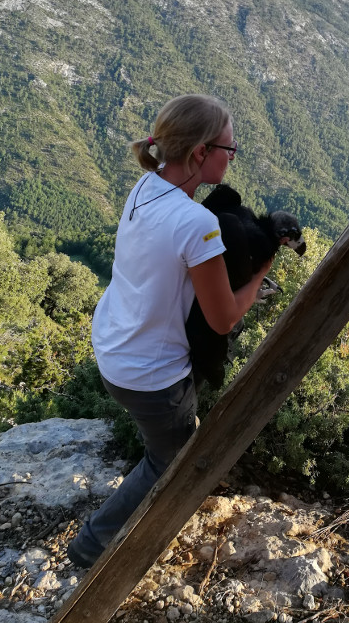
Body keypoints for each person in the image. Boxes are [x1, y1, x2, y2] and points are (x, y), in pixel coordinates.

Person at [67, 94, 271, 568]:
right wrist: (262, 273)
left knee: (165, 438)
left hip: (114, 347)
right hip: (150, 377)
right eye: (230, 149)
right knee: (170, 459)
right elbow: (224, 320)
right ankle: (92, 546)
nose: (232, 156)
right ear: (201, 152)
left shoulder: (145, 186)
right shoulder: (197, 224)